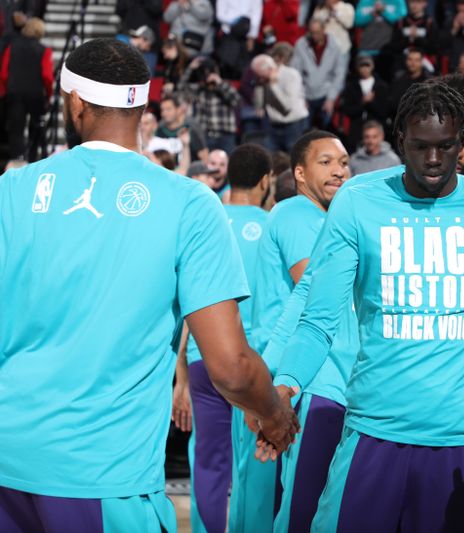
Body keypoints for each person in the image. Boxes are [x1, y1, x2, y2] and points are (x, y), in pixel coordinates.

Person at [0, 37, 297, 532]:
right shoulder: (190, 202)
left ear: (74, 101)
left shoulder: (10, 191)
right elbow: (230, 365)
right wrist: (273, 414)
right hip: (100, 474)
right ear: (143, 104)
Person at [270, 80, 464, 531]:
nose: (432, 160)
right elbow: (317, 322)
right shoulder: (357, 201)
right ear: (399, 140)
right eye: (420, 146)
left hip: (461, 441)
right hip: (373, 433)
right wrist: (284, 389)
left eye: (446, 146)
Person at [247, 131, 351, 531]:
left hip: (307, 374)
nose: (338, 170)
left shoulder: (329, 220)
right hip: (301, 379)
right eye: (325, 162)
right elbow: (317, 290)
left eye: (343, 162)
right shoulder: (296, 213)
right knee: (297, 508)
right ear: (300, 174)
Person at [173, 144, 273, 533]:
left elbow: (185, 302)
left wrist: (180, 375)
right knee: (255, 464)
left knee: (209, 462)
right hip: (254, 365)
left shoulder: (206, 219)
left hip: (202, 358)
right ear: (266, 181)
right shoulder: (273, 225)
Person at [0, 16, 51, 162]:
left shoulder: (12, 47)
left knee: (16, 130)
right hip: (35, 94)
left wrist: (3, 91)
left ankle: (18, 158)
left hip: (14, 92)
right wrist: (48, 95)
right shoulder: (44, 50)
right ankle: (33, 158)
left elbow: (4, 72)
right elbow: (47, 76)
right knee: (36, 128)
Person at [291, 18, 347, 129]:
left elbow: (339, 73)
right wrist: (300, 98)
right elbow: (295, 73)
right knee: (304, 131)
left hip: (325, 95)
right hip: (306, 95)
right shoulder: (301, 45)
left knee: (325, 130)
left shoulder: (334, 45)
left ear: (323, 30)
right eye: (312, 33)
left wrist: (331, 98)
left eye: (317, 33)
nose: (314, 36)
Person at [179, 57, 241, 155]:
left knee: (228, 165)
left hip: (225, 135)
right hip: (206, 136)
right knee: (207, 166)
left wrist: (219, 83)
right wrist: (190, 68)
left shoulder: (226, 86)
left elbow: (236, 100)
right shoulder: (199, 90)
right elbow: (180, 88)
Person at [341, 55, 391, 150]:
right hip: (357, 130)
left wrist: (372, 102)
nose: (364, 69)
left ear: (372, 67)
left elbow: (384, 111)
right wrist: (363, 103)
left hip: (376, 127)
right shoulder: (352, 87)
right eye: (362, 66)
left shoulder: (381, 86)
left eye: (367, 65)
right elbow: (347, 110)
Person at [155, 95, 208, 163]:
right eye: (162, 110)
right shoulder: (159, 130)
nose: (164, 113)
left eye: (168, 109)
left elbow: (205, 157)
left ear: (178, 109)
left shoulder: (190, 129)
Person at [390, 0, 438, 73]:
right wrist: (408, 39)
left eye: (418, 2)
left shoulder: (429, 22)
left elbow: (434, 48)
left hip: (424, 65)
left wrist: (418, 38)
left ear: (425, 3)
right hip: (403, 64)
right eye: (412, 2)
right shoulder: (401, 22)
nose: (414, 5)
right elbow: (394, 46)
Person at [388, 47, 430, 116]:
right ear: (406, 61)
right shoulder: (398, 79)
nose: (413, 63)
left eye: (417, 60)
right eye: (410, 59)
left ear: (421, 62)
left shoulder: (428, 82)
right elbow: (392, 103)